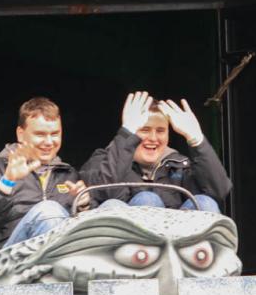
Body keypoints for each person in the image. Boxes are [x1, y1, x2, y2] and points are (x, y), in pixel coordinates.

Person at [0, 97, 89, 259]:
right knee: (48, 211)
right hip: (5, 262)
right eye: (40, 134)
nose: (49, 142)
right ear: (21, 134)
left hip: (63, 257)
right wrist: (6, 182)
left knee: (112, 207)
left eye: (55, 134)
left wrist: (83, 206)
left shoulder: (68, 174)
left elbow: (82, 234)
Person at [81, 91, 231, 212]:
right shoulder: (102, 161)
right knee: (148, 200)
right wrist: (126, 136)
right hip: (127, 240)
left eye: (160, 131)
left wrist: (197, 140)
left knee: (205, 203)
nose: (153, 138)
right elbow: (106, 194)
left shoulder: (179, 165)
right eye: (144, 130)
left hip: (176, 239)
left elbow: (219, 191)